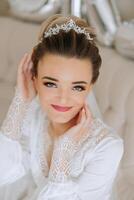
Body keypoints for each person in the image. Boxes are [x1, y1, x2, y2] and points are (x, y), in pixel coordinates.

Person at [0, 14, 124, 200]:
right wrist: (21, 101)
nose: (63, 99)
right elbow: (4, 173)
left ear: (91, 85)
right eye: (51, 83)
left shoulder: (107, 147)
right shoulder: (33, 116)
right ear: (34, 77)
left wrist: (63, 152)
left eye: (77, 87)